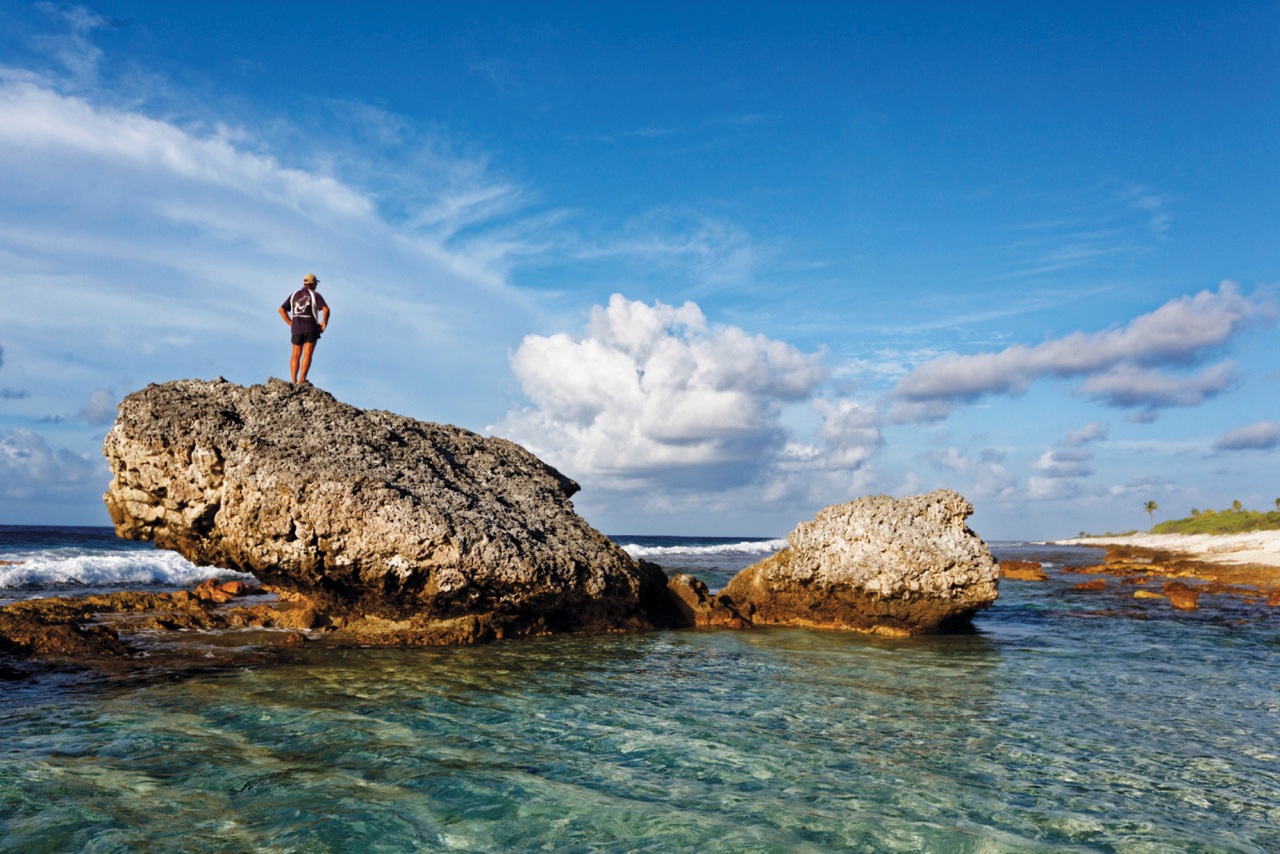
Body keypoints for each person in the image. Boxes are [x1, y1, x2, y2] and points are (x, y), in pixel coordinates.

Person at [279, 273, 330, 384]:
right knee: (308, 353)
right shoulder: (315, 295)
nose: (316, 285)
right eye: (316, 283)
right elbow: (326, 309)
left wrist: (291, 323)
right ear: (313, 283)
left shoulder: (294, 295)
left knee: (295, 354)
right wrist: (324, 323)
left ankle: (293, 380)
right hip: (310, 327)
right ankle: (302, 379)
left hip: (296, 329)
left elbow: (281, 310)